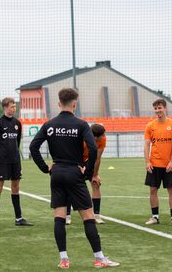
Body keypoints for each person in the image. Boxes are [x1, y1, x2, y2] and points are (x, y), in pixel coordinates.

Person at [30, 88, 119, 269]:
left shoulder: (49, 124)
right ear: (75, 103)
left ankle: (63, 259)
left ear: (58, 103)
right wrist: (87, 173)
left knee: (59, 217)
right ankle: (99, 258)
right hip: (74, 173)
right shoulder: (81, 124)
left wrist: (45, 168)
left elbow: (33, 147)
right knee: (88, 216)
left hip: (57, 173)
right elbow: (93, 149)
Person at [0, 97, 32, 228]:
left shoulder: (17, 123)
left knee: (16, 188)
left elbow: (17, 143)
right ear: (5, 107)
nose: (14, 108)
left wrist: (17, 160)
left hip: (15, 161)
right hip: (3, 161)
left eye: (15, 106)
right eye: (12, 106)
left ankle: (18, 218)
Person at [144, 98, 172, 225]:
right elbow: (147, 145)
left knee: (171, 190)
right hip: (154, 164)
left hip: (168, 165)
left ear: (165, 108)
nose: (158, 110)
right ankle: (155, 217)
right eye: (155, 108)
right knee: (153, 190)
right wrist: (147, 162)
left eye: (160, 108)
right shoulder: (150, 126)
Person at [66, 123, 107, 225]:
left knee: (96, 184)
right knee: (70, 186)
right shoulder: (81, 138)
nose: (104, 136)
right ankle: (67, 216)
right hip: (76, 160)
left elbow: (98, 158)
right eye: (102, 135)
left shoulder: (102, 140)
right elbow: (73, 153)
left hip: (89, 161)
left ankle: (96, 215)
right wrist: (79, 167)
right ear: (94, 137)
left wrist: (95, 175)